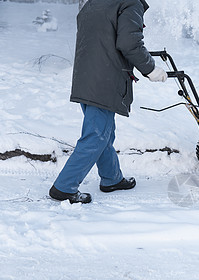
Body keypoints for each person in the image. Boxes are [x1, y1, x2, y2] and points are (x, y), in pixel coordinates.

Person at [49, 0, 167, 204]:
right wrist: (150, 69)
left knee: (104, 132)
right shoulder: (130, 4)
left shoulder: (94, 2)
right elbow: (129, 43)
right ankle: (64, 187)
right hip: (105, 79)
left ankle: (111, 178)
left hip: (87, 76)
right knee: (96, 136)